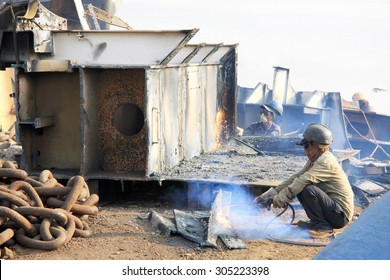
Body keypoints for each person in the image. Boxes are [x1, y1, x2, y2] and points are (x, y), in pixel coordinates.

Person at [254, 123, 354, 238]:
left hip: (340, 216)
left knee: (306, 188)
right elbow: (295, 178)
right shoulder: (316, 159)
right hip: (334, 211)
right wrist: (267, 196)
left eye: (307, 146)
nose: (305, 150)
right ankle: (317, 223)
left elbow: (302, 181)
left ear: (317, 146)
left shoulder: (325, 162)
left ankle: (322, 227)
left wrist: (279, 199)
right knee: (300, 186)